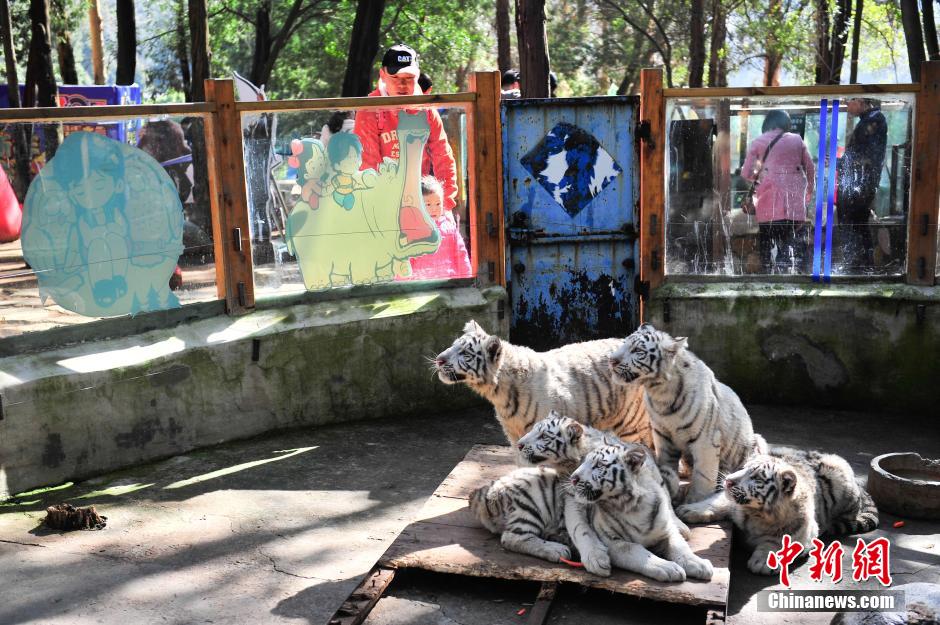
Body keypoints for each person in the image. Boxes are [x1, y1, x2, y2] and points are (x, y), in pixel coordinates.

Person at [353, 44, 458, 211]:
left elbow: (443, 157)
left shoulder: (426, 110)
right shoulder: (369, 109)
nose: (402, 84)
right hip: (382, 203)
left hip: (422, 201)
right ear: (383, 74)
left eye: (408, 78)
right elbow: (368, 164)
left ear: (417, 76)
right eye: (395, 77)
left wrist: (444, 205)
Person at [741, 109, 815, 274]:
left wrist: (761, 174)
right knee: (789, 243)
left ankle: (769, 278)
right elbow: (810, 168)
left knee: (767, 242)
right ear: (786, 124)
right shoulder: (797, 140)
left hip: (768, 204)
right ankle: (788, 277)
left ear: (768, 123)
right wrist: (808, 192)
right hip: (793, 204)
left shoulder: (758, 142)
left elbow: (746, 173)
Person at [837, 97, 887, 272]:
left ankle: (861, 263)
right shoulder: (870, 119)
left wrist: (841, 163)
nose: (846, 105)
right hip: (859, 181)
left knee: (855, 220)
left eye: (849, 100)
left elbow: (865, 157)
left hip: (862, 182)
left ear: (860, 101)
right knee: (856, 221)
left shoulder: (874, 119)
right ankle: (860, 263)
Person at [405, 175, 472, 280]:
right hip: (420, 285)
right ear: (418, 204)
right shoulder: (412, 231)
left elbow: (461, 257)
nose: (434, 209)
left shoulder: (450, 229)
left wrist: (467, 280)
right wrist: (403, 289)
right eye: (428, 204)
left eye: (438, 204)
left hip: (448, 283)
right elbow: (405, 262)